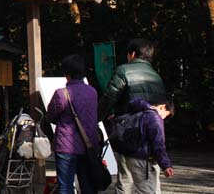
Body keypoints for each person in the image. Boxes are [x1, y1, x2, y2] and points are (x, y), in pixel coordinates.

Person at [99, 38, 167, 194]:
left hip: (128, 133)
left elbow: (110, 97)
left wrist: (98, 117)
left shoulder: (123, 71)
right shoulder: (156, 76)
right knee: (149, 180)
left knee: (126, 179)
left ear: (133, 54)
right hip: (150, 136)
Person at [46, 54, 100, 194]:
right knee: (88, 186)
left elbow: (51, 116)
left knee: (65, 187)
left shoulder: (61, 94)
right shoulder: (92, 92)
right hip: (88, 146)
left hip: (66, 147)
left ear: (66, 73)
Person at [111, 96, 175, 194]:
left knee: (125, 185)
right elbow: (158, 144)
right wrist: (165, 165)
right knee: (147, 190)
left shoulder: (136, 112)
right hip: (143, 160)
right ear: (163, 107)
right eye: (166, 115)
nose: (164, 118)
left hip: (128, 155)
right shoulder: (154, 117)